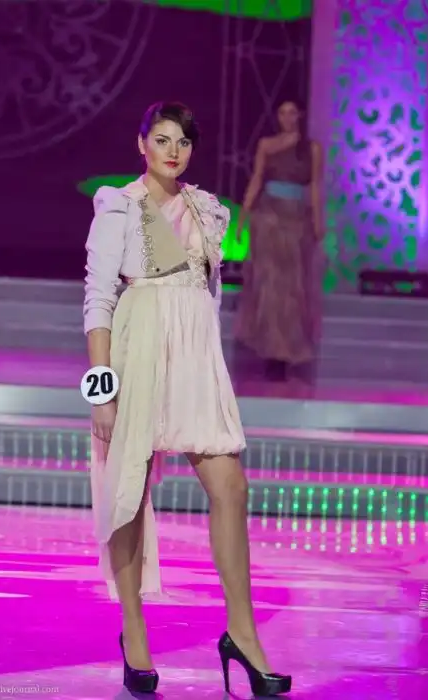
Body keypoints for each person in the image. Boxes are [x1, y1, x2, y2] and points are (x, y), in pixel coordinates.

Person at [83, 101, 292, 696]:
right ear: (142, 144)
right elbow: (98, 299)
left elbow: (210, 296)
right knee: (130, 492)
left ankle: (243, 635)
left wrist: (208, 365)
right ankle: (134, 631)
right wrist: (102, 391)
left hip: (196, 362)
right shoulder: (119, 206)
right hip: (138, 353)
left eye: (183, 142)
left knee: (232, 487)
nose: (173, 151)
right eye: (162, 139)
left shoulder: (207, 209)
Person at [235, 98, 323, 381]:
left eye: (291, 112)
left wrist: (318, 221)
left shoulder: (311, 149)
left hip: (296, 222)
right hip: (268, 218)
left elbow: (315, 187)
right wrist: (243, 216)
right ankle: (271, 354)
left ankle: (287, 351)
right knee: (269, 286)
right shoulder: (267, 145)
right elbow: (257, 179)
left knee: (292, 288)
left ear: (300, 115)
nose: (287, 117)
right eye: (282, 113)